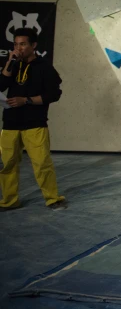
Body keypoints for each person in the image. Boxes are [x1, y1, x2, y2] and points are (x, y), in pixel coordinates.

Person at [0, 27, 67, 211]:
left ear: (33, 45)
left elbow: (54, 94)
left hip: (34, 123)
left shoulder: (44, 67)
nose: (18, 48)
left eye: (23, 44)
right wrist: (8, 65)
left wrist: (26, 100)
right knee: (7, 165)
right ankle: (9, 200)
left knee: (41, 163)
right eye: (15, 44)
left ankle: (53, 198)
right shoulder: (12, 65)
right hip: (10, 123)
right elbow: (1, 85)